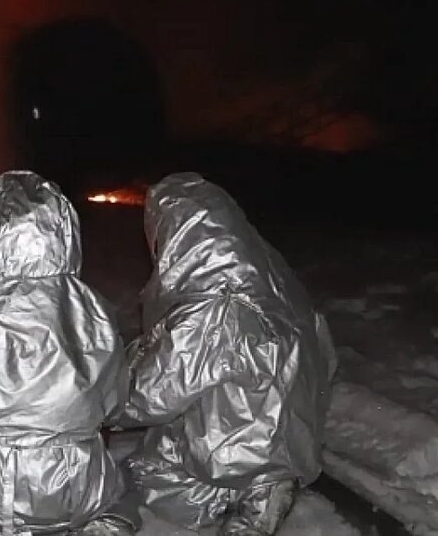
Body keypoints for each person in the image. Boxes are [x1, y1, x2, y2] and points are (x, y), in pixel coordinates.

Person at [116, 173, 337, 535]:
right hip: (292, 439)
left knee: (142, 473)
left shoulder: (213, 309)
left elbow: (150, 396)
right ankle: (266, 489)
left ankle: (245, 496)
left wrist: (99, 396)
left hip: (233, 448)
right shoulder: (268, 280)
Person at [0, 171, 139, 536]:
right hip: (73, 486)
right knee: (122, 488)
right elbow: (114, 404)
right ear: (64, 234)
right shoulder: (93, 313)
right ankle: (103, 523)